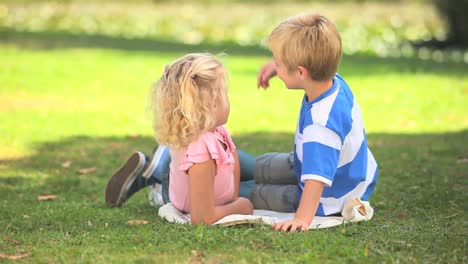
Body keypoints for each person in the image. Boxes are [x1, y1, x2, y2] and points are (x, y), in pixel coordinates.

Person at [253, 13, 378, 232]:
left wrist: (301, 219)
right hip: (341, 171)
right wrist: (278, 66)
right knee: (260, 165)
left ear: (301, 71)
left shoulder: (321, 126)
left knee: (252, 193)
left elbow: (316, 181)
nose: (276, 66)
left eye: (278, 63)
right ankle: (224, 168)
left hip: (328, 196)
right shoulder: (331, 79)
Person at [105, 53, 253, 224]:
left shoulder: (218, 129)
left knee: (258, 174)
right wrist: (241, 206)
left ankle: (158, 165)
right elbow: (202, 218)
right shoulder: (201, 149)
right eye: (225, 92)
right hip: (180, 194)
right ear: (211, 103)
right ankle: (157, 180)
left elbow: (232, 178)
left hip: (194, 181)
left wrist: (234, 200)